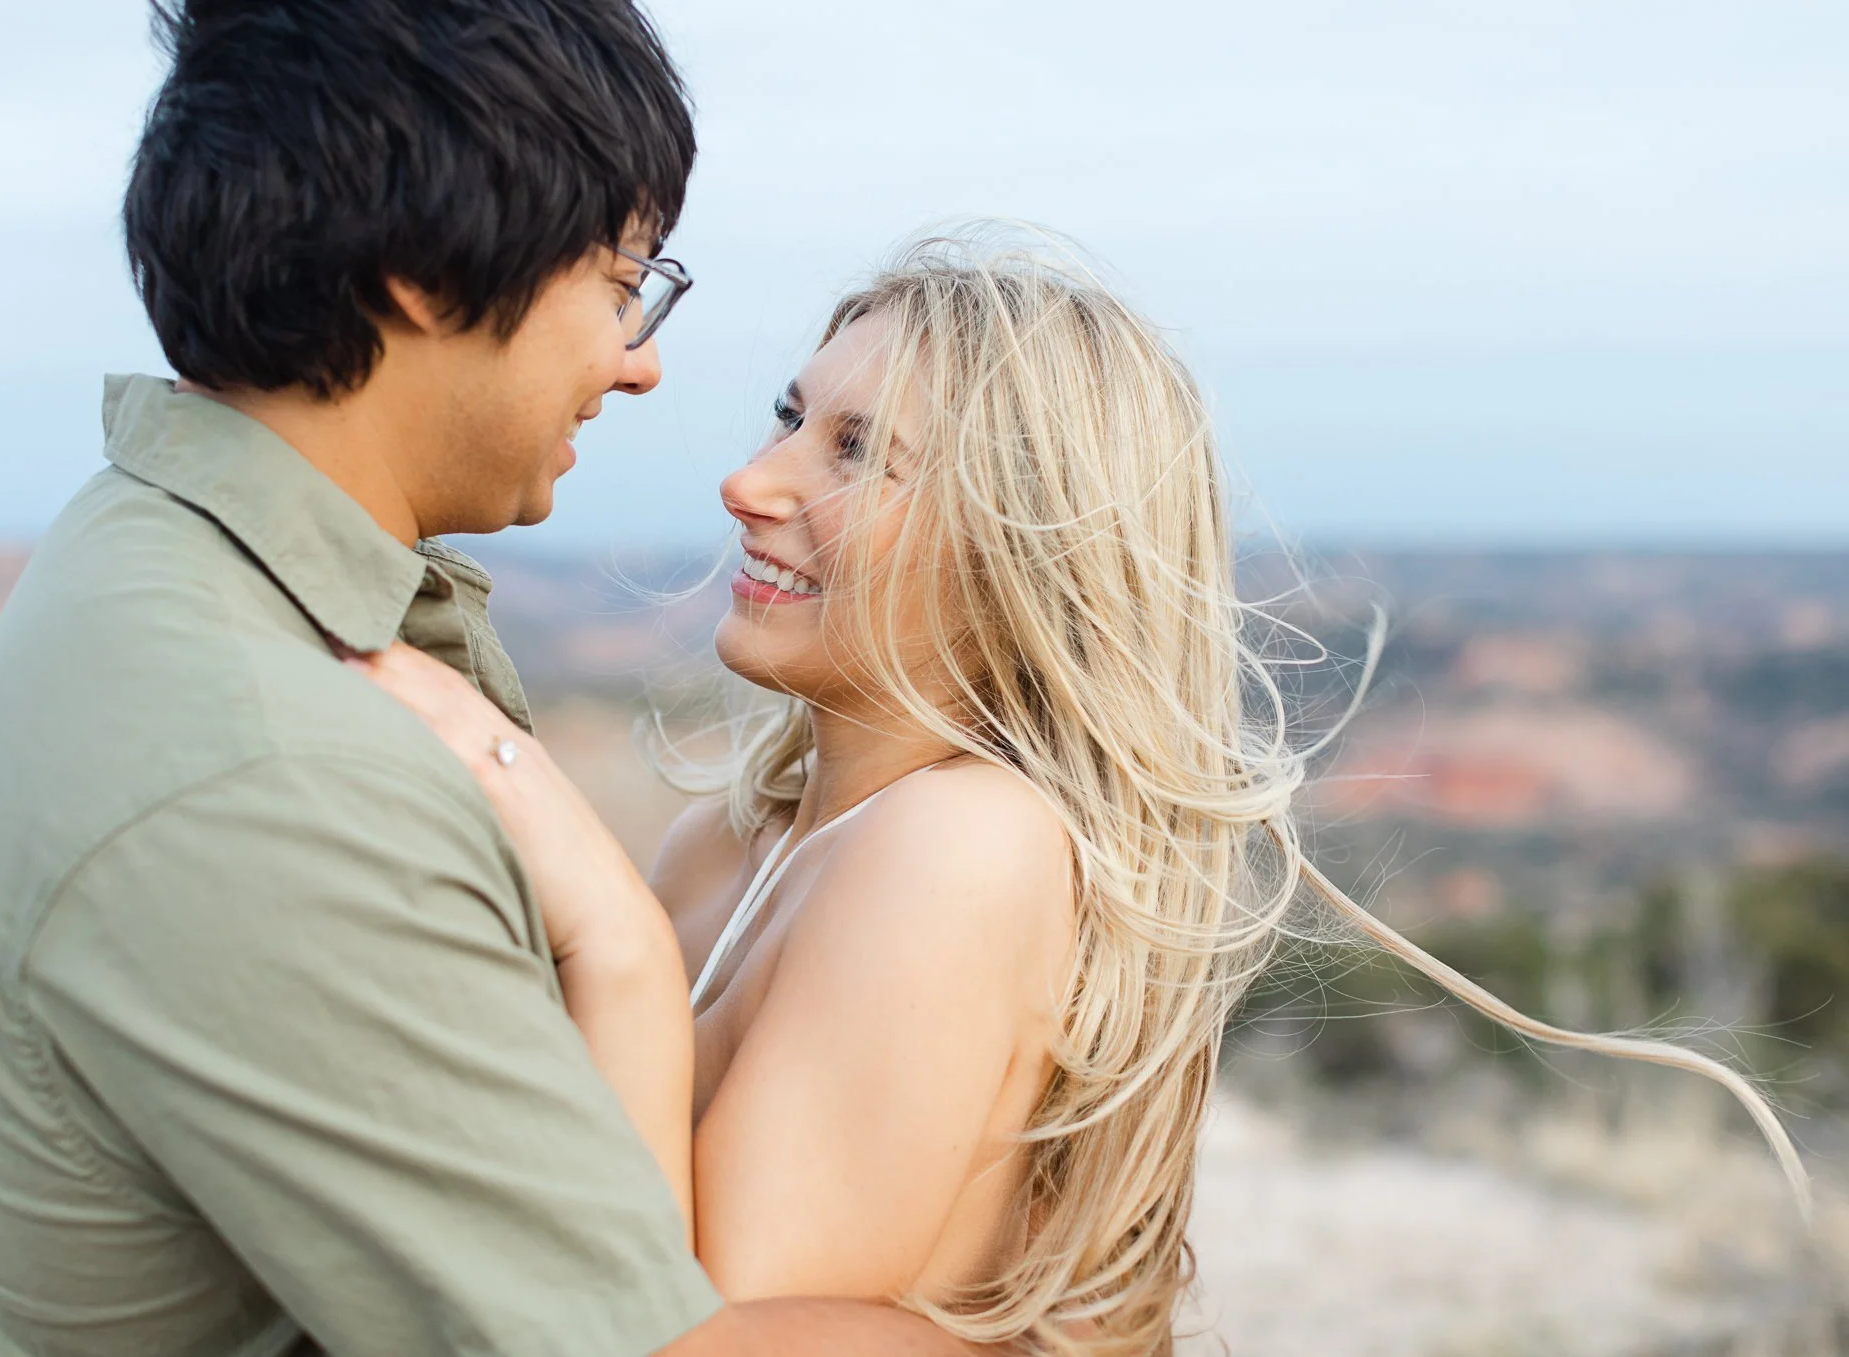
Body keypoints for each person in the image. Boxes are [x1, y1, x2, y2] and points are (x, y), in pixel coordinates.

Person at [357, 229, 1813, 1355]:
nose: (752, 479)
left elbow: (687, 1332)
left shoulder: (961, 847)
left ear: (1017, 547)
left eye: (857, 452)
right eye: (792, 417)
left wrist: (586, 912)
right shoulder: (722, 844)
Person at [0, 0, 1007, 1354]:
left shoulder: (161, 574)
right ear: (427, 274)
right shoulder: (274, 776)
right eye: (621, 285)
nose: (641, 361)